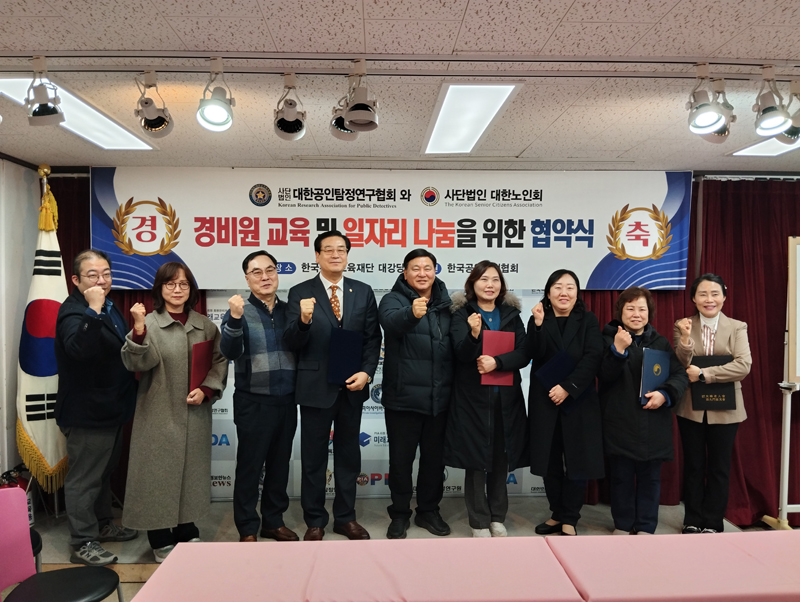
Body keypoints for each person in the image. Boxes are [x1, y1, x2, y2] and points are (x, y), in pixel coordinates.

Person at [120, 262, 227, 562]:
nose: (177, 290)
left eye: (183, 284)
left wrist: (206, 389)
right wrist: (138, 331)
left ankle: (187, 528)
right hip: (157, 413)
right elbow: (136, 364)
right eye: (170, 284)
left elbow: (219, 361)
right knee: (156, 475)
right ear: (160, 288)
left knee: (191, 474)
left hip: (194, 414)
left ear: (191, 289)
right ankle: (159, 537)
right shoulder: (149, 324)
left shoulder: (206, 326)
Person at [284, 230, 382, 541]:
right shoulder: (300, 292)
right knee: (313, 459)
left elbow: (372, 338)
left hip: (352, 387)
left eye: (341, 249)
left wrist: (367, 373)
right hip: (315, 388)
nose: (335, 254)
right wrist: (303, 321)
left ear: (347, 255)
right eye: (328, 250)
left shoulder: (362, 291)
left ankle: (345, 517)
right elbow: (291, 342)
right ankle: (315, 520)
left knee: (348, 457)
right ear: (317, 256)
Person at [54, 249, 138, 566]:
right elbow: (79, 350)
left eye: (106, 274)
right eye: (92, 275)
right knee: (84, 480)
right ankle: (82, 542)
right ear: (76, 279)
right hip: (87, 413)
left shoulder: (109, 306)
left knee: (103, 474)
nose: (101, 280)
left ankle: (102, 524)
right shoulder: (74, 312)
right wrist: (93, 309)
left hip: (111, 409)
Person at [444, 261, 529, 537]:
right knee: (476, 461)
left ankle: (497, 517)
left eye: (495, 279)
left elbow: (523, 352)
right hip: (472, 400)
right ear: (473, 284)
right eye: (483, 279)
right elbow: (460, 353)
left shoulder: (511, 315)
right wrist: (473, 335)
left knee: (500, 460)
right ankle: (478, 521)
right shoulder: (462, 314)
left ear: (501, 285)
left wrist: (498, 363)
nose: (489, 285)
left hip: (505, 399)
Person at [220, 251, 298, 542]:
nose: (265, 277)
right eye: (257, 272)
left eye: (270, 270)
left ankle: (273, 522)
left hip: (287, 400)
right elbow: (229, 352)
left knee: (280, 466)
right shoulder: (239, 311)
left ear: (277, 273)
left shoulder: (290, 311)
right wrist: (235, 319)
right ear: (247, 278)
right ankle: (247, 528)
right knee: (250, 467)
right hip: (253, 402)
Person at [598, 287, 688, 535]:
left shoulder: (660, 342)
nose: (636, 314)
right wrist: (617, 350)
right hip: (619, 421)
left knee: (650, 479)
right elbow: (603, 375)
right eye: (630, 308)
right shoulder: (607, 339)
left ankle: (647, 526)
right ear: (620, 312)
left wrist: (665, 394)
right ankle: (623, 524)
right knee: (621, 478)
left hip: (653, 422)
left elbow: (679, 375)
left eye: (641, 309)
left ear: (649, 313)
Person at [378, 249, 453, 539]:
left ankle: (428, 511)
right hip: (403, 399)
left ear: (435, 271)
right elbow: (391, 323)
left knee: (434, 461)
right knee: (401, 462)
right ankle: (399, 514)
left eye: (428, 268)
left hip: (439, 399)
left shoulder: (448, 304)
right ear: (405, 272)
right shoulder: (393, 299)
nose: (422, 273)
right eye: (415, 268)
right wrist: (411, 313)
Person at [527, 269, 604, 536]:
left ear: (577, 293)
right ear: (548, 293)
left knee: (577, 459)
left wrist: (568, 388)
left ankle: (570, 516)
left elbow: (593, 356)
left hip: (578, 399)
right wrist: (538, 326)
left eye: (570, 287)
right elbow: (532, 353)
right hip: (545, 399)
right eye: (558, 287)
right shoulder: (538, 318)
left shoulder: (588, 320)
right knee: (548, 460)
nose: (564, 292)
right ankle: (557, 513)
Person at [673, 273, 752, 534]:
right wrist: (686, 339)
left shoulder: (737, 327)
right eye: (703, 294)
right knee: (694, 465)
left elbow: (743, 365)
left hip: (727, 408)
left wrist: (705, 374)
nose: (709, 299)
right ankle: (692, 519)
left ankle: (713, 522)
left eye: (715, 293)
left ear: (724, 297)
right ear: (694, 299)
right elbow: (681, 363)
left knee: (719, 466)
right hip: (690, 406)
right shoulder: (682, 325)